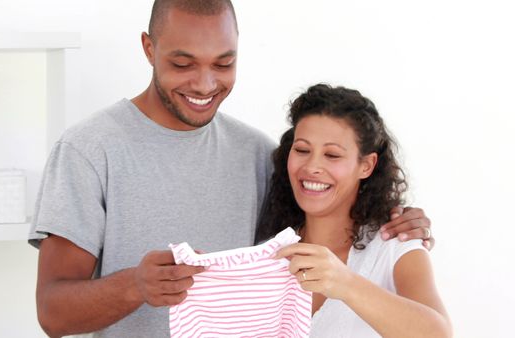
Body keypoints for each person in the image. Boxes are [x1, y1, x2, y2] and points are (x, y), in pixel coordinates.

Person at [29, 1, 433, 337]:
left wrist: (397, 218)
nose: (205, 84)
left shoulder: (258, 153)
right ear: (149, 49)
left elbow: (325, 195)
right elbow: (52, 312)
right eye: (183, 64)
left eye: (223, 64)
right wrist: (135, 286)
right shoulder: (88, 151)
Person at [257, 84, 451, 337]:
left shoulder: (393, 248)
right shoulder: (268, 252)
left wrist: (345, 283)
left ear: (367, 165)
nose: (312, 166)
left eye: (332, 155)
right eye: (302, 150)